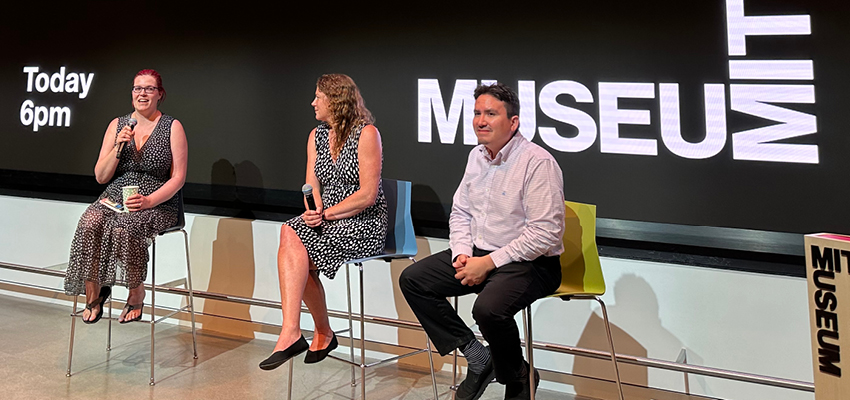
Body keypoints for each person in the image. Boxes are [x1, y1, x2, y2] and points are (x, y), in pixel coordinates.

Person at [399, 83, 565, 400]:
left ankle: (517, 377)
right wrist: (462, 252)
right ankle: (479, 357)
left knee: (487, 309)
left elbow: (545, 234)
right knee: (414, 280)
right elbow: (461, 211)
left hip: (530, 262)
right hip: (478, 252)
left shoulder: (537, 163)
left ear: (513, 122)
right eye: (477, 113)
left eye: (491, 113)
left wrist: (487, 263)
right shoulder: (476, 156)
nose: (481, 120)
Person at [259, 74, 387, 370]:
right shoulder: (316, 136)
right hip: (327, 217)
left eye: (319, 97)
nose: (313, 102)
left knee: (296, 259)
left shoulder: (367, 134)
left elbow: (368, 195)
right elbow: (311, 185)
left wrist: (326, 214)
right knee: (290, 231)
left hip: (362, 222)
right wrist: (312, 210)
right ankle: (294, 330)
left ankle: (317, 332)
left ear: (336, 100)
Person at [64, 69, 189, 325]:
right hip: (115, 196)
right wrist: (118, 148)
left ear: (159, 94)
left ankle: (135, 292)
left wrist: (149, 201)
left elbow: (178, 179)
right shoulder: (117, 125)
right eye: (137, 88)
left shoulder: (171, 127)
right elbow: (101, 176)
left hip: (157, 201)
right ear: (132, 94)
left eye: (149, 88)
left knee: (124, 229)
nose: (142, 93)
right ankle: (94, 292)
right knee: (89, 223)